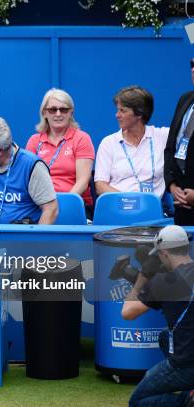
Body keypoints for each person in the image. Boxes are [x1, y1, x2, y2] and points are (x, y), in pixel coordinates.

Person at [122, 225, 194, 407]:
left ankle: (188, 401)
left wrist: (143, 278)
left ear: (164, 254)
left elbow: (127, 313)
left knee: (138, 401)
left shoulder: (162, 282)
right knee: (164, 336)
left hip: (186, 365)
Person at [26, 89, 95, 215]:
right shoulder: (34, 141)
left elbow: (83, 182)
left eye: (63, 110)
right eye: (52, 110)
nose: (58, 114)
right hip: (40, 204)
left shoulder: (81, 138)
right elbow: (27, 179)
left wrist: (64, 203)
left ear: (71, 113)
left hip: (73, 203)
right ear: (44, 113)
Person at [95, 86, 169, 198]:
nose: (117, 115)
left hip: (153, 209)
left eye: (122, 111)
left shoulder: (163, 136)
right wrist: (130, 202)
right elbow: (100, 186)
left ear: (139, 113)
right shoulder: (108, 143)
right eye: (117, 110)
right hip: (119, 206)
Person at [164, 58, 194, 226]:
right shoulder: (185, 99)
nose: (193, 70)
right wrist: (172, 185)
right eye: (192, 65)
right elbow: (170, 147)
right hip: (181, 204)